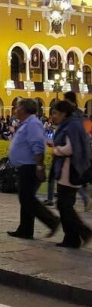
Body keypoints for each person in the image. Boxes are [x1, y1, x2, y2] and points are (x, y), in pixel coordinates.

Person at [7, 98, 61, 240]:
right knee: (25, 199)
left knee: (27, 199)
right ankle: (25, 229)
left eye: (17, 107)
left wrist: (39, 166)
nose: (15, 109)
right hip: (24, 166)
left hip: (30, 167)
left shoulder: (33, 124)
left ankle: (52, 221)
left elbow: (38, 146)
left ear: (23, 110)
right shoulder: (26, 123)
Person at [50, 100, 92, 248]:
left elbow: (70, 149)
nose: (53, 116)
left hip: (69, 171)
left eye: (55, 113)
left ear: (63, 113)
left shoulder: (71, 126)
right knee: (64, 205)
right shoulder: (73, 124)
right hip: (68, 171)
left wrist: (56, 150)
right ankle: (74, 237)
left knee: (64, 206)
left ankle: (81, 233)